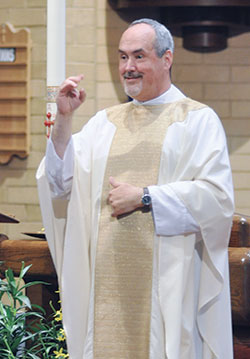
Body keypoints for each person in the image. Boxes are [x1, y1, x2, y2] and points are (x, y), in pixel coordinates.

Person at [36, 18, 234, 359]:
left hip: (169, 287)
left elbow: (217, 199)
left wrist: (145, 197)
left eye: (139, 56)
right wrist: (64, 120)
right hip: (106, 286)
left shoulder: (197, 120)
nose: (128, 67)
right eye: (122, 57)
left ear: (167, 59)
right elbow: (59, 183)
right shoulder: (104, 123)